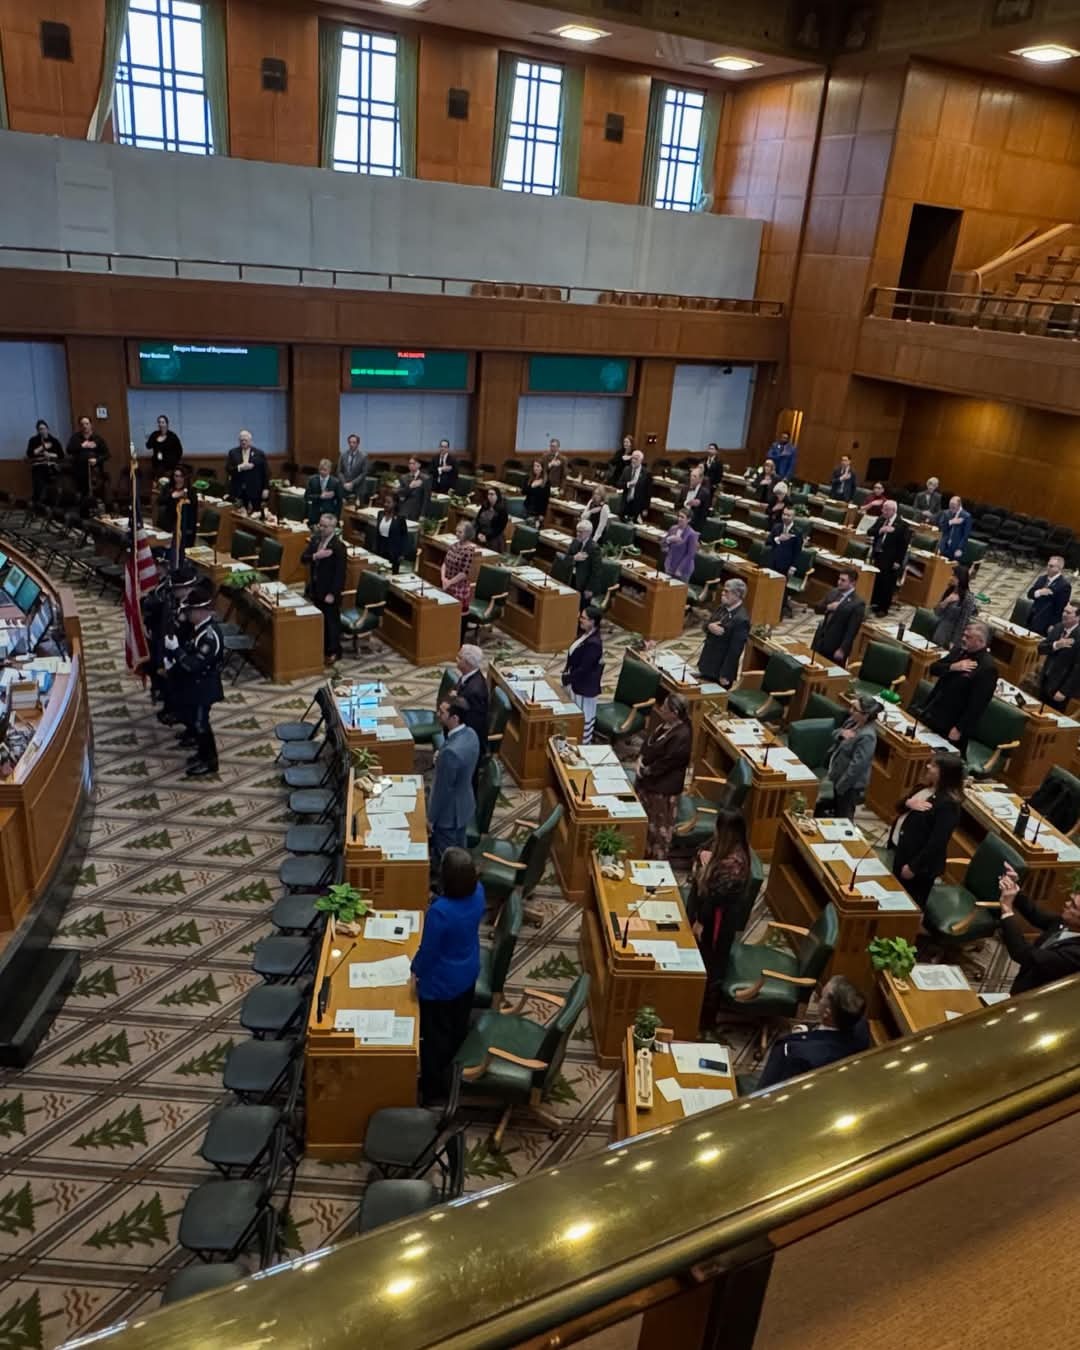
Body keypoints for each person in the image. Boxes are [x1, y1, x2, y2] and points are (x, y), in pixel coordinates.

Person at [411, 846, 486, 1103]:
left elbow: (429, 952)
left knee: (434, 1040)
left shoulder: (441, 912)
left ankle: (434, 1091)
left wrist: (414, 971)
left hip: (441, 984)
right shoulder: (479, 893)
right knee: (457, 1027)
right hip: (468, 971)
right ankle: (455, 1070)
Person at [755, 977, 870, 1090]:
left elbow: (768, 1089)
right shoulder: (862, 1026)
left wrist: (799, 1038)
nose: (815, 998)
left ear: (827, 1013)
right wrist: (807, 1033)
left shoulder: (794, 1052)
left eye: (820, 997)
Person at [687, 808, 751, 995]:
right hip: (702, 907)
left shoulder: (735, 864)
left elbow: (714, 898)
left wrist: (700, 921)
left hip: (714, 920)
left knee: (708, 962)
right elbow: (699, 851)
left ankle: (704, 1000)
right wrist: (702, 859)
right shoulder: (721, 844)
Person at [887, 753, 965, 907]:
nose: (928, 767)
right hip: (901, 850)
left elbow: (937, 842)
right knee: (893, 897)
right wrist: (908, 803)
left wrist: (914, 866)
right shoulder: (924, 787)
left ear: (946, 773)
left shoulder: (948, 805)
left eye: (935, 766)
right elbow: (899, 806)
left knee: (908, 906)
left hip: (917, 865)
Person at [165, 577, 224, 778]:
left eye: (190, 611)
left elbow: (194, 664)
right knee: (193, 720)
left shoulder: (209, 636)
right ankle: (201, 753)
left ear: (201, 612)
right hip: (194, 685)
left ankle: (210, 760)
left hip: (204, 687)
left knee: (201, 723)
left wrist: (176, 652)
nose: (187, 615)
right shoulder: (197, 630)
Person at [997, 864, 1080, 996]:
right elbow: (1036, 914)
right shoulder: (1067, 923)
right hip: (1025, 983)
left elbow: (1024, 954)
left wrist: (1007, 910)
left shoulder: (1076, 954)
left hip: (1037, 997)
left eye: (1074, 907)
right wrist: (1015, 889)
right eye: (1071, 900)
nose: (1067, 904)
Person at [920, 621, 997, 752]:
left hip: (952, 723)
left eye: (968, 637)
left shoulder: (987, 667)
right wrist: (952, 667)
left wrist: (959, 728)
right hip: (934, 711)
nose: (963, 639)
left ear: (980, 641)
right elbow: (934, 668)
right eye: (964, 635)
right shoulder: (959, 651)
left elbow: (977, 705)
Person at [635, 693, 693, 859]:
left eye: (665, 708)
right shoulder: (668, 724)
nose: (660, 710)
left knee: (657, 832)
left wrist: (644, 770)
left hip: (662, 790)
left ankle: (655, 861)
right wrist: (640, 758)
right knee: (643, 824)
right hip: (649, 781)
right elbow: (650, 741)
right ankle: (642, 851)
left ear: (674, 712)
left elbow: (667, 763)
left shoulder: (683, 734)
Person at [427, 698, 479, 863]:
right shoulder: (471, 734)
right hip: (464, 806)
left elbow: (442, 791)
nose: (438, 715)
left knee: (448, 861)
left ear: (455, 719)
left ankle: (446, 887)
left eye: (442, 713)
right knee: (460, 849)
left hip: (448, 815)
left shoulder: (450, 754)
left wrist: (431, 819)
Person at [818, 695, 881, 819]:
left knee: (843, 816)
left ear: (866, 715)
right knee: (833, 810)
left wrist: (841, 786)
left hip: (849, 785)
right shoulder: (853, 721)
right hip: (837, 775)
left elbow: (857, 766)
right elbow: (835, 732)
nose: (850, 710)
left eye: (855, 709)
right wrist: (842, 734)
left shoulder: (868, 736)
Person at [301, 512, 347, 665]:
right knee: (319, 620)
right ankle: (321, 647)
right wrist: (316, 556)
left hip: (329, 591)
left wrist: (333, 593)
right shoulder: (315, 541)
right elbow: (303, 559)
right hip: (315, 587)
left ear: (333, 528)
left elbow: (340, 573)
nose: (321, 528)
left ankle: (334, 651)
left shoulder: (339, 547)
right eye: (320, 525)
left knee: (331, 622)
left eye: (325, 526)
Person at [697, 578, 750, 687]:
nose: (722, 593)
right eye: (723, 590)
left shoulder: (742, 619)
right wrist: (709, 626)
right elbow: (706, 625)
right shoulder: (722, 607)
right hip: (707, 664)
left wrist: (725, 674)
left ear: (737, 594)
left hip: (720, 673)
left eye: (727, 591)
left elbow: (735, 651)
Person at [562, 605, 603, 742]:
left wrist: (567, 678)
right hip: (574, 682)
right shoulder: (585, 634)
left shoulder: (594, 644)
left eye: (584, 618)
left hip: (583, 688)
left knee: (581, 720)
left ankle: (581, 745)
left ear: (593, 622)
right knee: (572, 717)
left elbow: (584, 669)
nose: (580, 620)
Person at [811, 566, 865, 665]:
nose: (839, 582)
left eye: (843, 580)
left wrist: (842, 649)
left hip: (836, 646)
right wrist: (828, 607)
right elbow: (817, 608)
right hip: (820, 642)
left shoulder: (858, 604)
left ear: (852, 583)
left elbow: (852, 631)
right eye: (839, 579)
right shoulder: (834, 592)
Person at [867, 499, 910, 615]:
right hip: (878, 554)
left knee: (887, 583)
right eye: (883, 509)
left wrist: (898, 561)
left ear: (893, 510)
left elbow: (903, 545)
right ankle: (875, 603)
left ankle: (883, 608)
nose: (883, 511)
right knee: (878, 580)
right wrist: (881, 530)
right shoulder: (881, 519)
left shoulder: (902, 525)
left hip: (891, 558)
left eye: (885, 509)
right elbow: (869, 532)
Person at [1037, 601, 1080, 709]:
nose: (1064, 614)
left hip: (1060, 687)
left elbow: (1077, 669)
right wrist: (1056, 645)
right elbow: (1041, 648)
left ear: (1078, 617)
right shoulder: (1058, 627)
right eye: (1064, 611)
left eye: (1068, 613)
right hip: (1045, 679)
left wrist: (1064, 691)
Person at [66, 415, 110, 511]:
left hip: (95, 473)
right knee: (82, 494)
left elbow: (107, 454)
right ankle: (84, 514)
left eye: (87, 424)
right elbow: (69, 450)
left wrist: (97, 460)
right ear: (80, 426)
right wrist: (82, 445)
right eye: (82, 424)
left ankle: (97, 512)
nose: (85, 426)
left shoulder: (97, 438)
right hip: (80, 472)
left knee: (97, 493)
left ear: (91, 425)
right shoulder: (75, 438)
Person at [441, 521, 477, 633]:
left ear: (467, 534)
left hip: (458, 588)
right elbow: (445, 563)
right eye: (457, 531)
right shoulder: (454, 545)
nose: (457, 534)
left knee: (458, 620)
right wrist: (443, 579)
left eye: (460, 532)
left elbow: (464, 573)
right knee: (445, 616)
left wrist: (449, 582)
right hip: (447, 584)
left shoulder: (469, 550)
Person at [932, 564, 978, 650]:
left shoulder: (968, 598)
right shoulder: (949, 590)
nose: (950, 577)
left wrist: (953, 642)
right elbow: (936, 612)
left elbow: (963, 622)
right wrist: (946, 601)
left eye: (953, 575)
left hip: (951, 637)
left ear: (960, 578)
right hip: (939, 631)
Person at [452, 644, 489, 750]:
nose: (456, 659)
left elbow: (472, 726)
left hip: (468, 745)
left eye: (459, 658)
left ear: (467, 663)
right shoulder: (468, 676)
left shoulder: (475, 692)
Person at [1026, 554, 1072, 635]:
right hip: (1032, 617)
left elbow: (1060, 608)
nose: (1048, 567)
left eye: (1051, 566)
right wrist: (1039, 592)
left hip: (1045, 623)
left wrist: (1053, 625)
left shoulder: (1064, 586)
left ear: (1059, 569)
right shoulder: (1042, 578)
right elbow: (1030, 594)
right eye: (1048, 565)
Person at [159, 465, 198, 556]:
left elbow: (193, 506)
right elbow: (160, 501)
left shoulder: (191, 490)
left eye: (181, 476)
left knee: (183, 550)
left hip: (185, 523)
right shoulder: (168, 487)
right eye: (176, 476)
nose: (178, 479)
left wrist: (186, 499)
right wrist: (172, 496)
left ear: (185, 477)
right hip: (170, 521)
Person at [226, 429, 268, 512]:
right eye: (241, 440)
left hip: (255, 490)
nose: (243, 442)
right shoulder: (233, 452)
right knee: (238, 515)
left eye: (245, 440)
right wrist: (240, 467)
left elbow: (265, 472)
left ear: (250, 441)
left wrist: (266, 488)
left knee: (256, 513)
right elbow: (228, 469)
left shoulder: (259, 453)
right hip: (238, 490)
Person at [26, 419, 63, 504]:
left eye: (44, 428)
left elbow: (61, 455)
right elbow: (30, 454)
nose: (43, 431)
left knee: (55, 477)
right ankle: (38, 501)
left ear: (47, 429)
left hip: (52, 465)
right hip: (39, 465)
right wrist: (41, 448)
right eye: (40, 429)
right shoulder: (33, 440)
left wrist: (50, 455)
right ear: (38, 431)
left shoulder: (54, 440)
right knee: (38, 478)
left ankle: (52, 501)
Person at [562, 519, 597, 607]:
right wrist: (574, 558)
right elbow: (565, 560)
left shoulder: (594, 548)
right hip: (570, 578)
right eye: (577, 531)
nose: (578, 534)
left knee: (579, 608)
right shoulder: (575, 542)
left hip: (583, 584)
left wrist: (590, 589)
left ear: (588, 533)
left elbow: (596, 571)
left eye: (581, 532)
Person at [304, 457, 344, 528]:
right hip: (314, 515)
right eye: (320, 469)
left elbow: (339, 502)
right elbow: (307, 496)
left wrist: (336, 517)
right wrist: (320, 496)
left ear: (329, 470)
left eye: (325, 470)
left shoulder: (335, 482)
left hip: (329, 516)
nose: (322, 472)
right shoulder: (312, 480)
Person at [662, 509, 699, 582]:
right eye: (678, 516)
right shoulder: (673, 528)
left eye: (682, 517)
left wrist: (679, 569)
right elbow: (662, 544)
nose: (679, 519)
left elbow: (690, 555)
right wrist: (668, 539)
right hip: (670, 566)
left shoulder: (692, 534)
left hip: (683, 570)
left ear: (688, 519)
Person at [374, 493, 407, 573]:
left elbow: (404, 536)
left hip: (393, 551)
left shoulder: (400, 518)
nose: (385, 504)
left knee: (391, 576)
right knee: (379, 572)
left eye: (389, 502)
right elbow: (378, 533)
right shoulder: (380, 514)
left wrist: (402, 553)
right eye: (385, 502)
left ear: (395, 504)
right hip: (381, 548)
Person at [145, 414, 183, 480]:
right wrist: (151, 438)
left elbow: (179, 451)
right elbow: (148, 446)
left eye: (163, 422)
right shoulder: (155, 434)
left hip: (169, 467)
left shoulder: (172, 436)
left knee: (165, 485)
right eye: (159, 422)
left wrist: (174, 463)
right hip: (157, 466)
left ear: (167, 424)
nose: (161, 424)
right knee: (157, 487)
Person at [619, 449, 652, 523]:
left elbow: (648, 493)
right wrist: (628, 484)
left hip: (637, 506)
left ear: (641, 460)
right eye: (632, 458)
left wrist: (645, 508)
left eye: (636, 459)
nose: (633, 460)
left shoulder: (646, 474)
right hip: (625, 504)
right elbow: (619, 484)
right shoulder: (626, 469)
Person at [936, 495, 972, 562]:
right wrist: (951, 522)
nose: (951, 508)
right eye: (950, 505)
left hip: (955, 548)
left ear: (959, 505)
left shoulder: (966, 516)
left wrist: (960, 549)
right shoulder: (946, 513)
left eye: (953, 506)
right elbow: (941, 528)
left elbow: (965, 535)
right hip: (943, 546)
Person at [396, 456, 430, 522]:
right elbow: (401, 494)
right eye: (409, 463)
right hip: (404, 510)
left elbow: (426, 498)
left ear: (419, 465)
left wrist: (422, 515)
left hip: (417, 512)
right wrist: (410, 487)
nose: (411, 465)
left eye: (413, 463)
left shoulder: (426, 478)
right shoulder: (403, 477)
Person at [475, 486, 508, 552]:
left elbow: (499, 528)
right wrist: (478, 533)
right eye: (488, 494)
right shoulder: (485, 506)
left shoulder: (502, 510)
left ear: (497, 496)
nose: (489, 496)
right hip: (481, 534)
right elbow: (477, 520)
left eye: (492, 494)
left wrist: (487, 537)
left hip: (494, 538)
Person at [338, 433, 368, 502]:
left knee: (358, 510)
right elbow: (339, 471)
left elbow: (363, 473)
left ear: (358, 443)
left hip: (358, 488)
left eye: (354, 442)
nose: (351, 444)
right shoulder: (343, 455)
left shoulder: (363, 456)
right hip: (344, 487)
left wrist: (352, 483)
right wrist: (344, 483)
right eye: (350, 442)